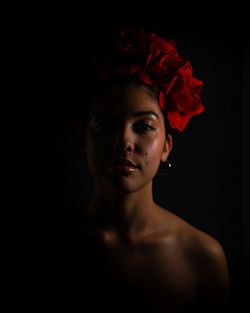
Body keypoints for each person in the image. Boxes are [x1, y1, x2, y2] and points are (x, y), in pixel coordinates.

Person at [64, 28, 230, 312]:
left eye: (144, 126)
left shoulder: (202, 256)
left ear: (166, 146)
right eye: (105, 126)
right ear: (84, 142)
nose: (124, 142)